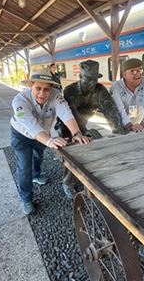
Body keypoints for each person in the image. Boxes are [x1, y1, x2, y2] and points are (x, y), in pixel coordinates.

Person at [10, 66, 91, 215]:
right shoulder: (20, 100)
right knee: (24, 167)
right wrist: (49, 141)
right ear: (30, 86)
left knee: (38, 156)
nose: (42, 93)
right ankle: (26, 198)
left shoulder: (56, 95)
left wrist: (77, 133)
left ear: (51, 88)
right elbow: (30, 126)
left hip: (44, 134)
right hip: (21, 135)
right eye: (38, 88)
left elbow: (66, 113)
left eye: (46, 89)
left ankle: (36, 175)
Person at [55, 59, 129, 199]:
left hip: (83, 122)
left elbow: (109, 108)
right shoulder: (70, 90)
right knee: (72, 152)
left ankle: (87, 177)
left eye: (94, 79)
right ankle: (67, 182)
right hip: (67, 124)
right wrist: (83, 131)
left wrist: (117, 127)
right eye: (88, 79)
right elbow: (72, 112)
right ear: (81, 77)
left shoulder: (100, 90)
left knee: (89, 145)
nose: (92, 83)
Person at [110, 58, 144, 133]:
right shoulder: (116, 87)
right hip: (121, 128)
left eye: (140, 70)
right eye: (133, 71)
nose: (138, 74)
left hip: (137, 126)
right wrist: (129, 125)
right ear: (124, 74)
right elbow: (118, 108)